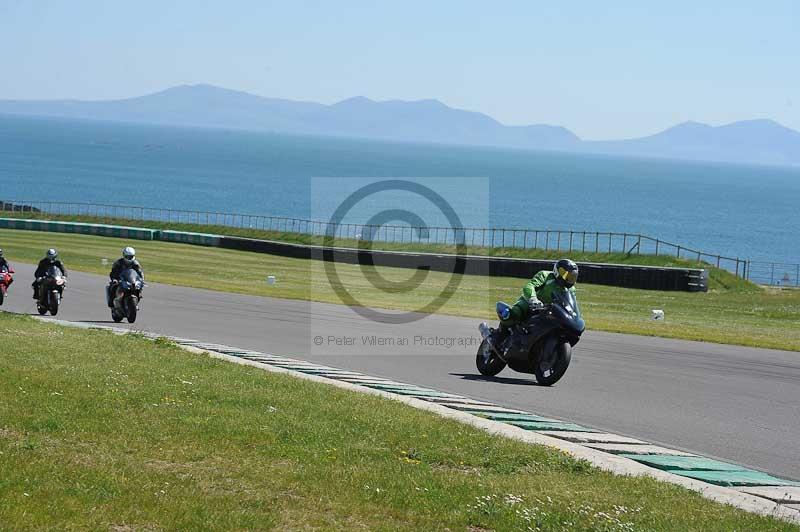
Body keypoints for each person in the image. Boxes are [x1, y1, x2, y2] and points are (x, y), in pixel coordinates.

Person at [489, 258, 579, 350]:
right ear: (557, 271)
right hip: (531, 304)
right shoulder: (545, 275)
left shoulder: (571, 290)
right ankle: (497, 338)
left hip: (551, 311)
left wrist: (574, 315)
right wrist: (533, 299)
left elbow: (571, 303)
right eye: (566, 275)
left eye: (572, 277)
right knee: (514, 314)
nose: (569, 279)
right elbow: (530, 286)